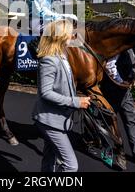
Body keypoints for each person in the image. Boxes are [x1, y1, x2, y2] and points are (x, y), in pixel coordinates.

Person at [32, 20, 91, 172]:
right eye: (71, 32)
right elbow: (45, 93)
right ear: (61, 36)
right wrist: (75, 102)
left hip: (58, 119)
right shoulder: (49, 60)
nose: (73, 35)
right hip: (49, 121)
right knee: (71, 166)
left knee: (49, 157)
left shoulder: (62, 55)